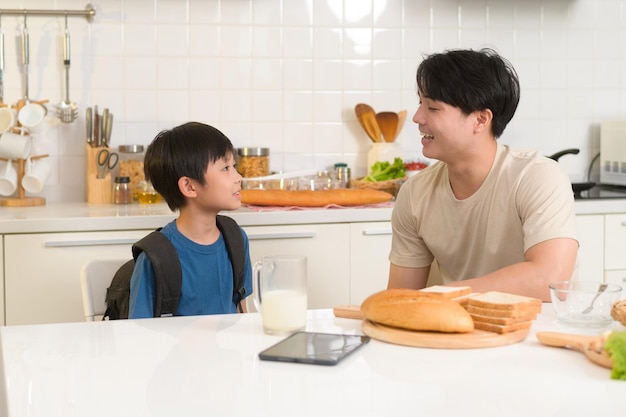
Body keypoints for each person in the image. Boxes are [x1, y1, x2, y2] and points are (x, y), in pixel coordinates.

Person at [388, 48, 578, 301]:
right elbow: (401, 300)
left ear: (480, 120)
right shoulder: (414, 194)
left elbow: (551, 281)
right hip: (458, 332)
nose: (417, 117)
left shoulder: (537, 177)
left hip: (537, 331)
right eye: (420, 103)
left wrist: (447, 293)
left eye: (432, 108)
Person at [129, 122, 253, 318]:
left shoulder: (236, 239)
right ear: (189, 186)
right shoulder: (155, 259)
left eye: (234, 166)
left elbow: (241, 312)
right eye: (225, 168)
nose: (238, 177)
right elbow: (139, 336)